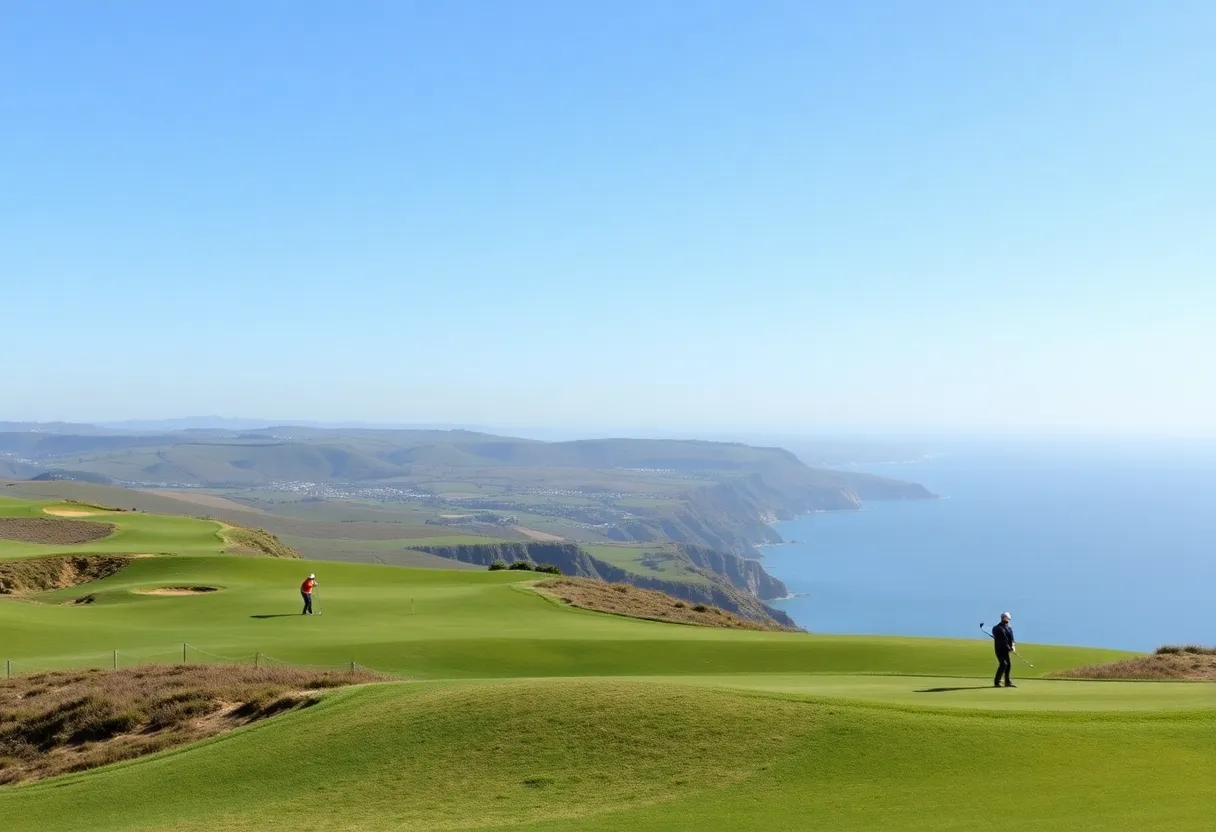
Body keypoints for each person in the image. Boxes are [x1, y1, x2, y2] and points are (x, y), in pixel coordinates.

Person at [993, 611, 1016, 688]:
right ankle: (997, 682)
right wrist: (1009, 648)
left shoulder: (1009, 628)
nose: (1009, 620)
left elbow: (1012, 639)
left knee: (1008, 665)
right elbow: (1003, 641)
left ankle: (1007, 682)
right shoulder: (998, 628)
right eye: (1008, 619)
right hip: (1000, 649)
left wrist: (1013, 646)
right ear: (1004, 618)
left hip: (1006, 650)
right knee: (1003, 664)